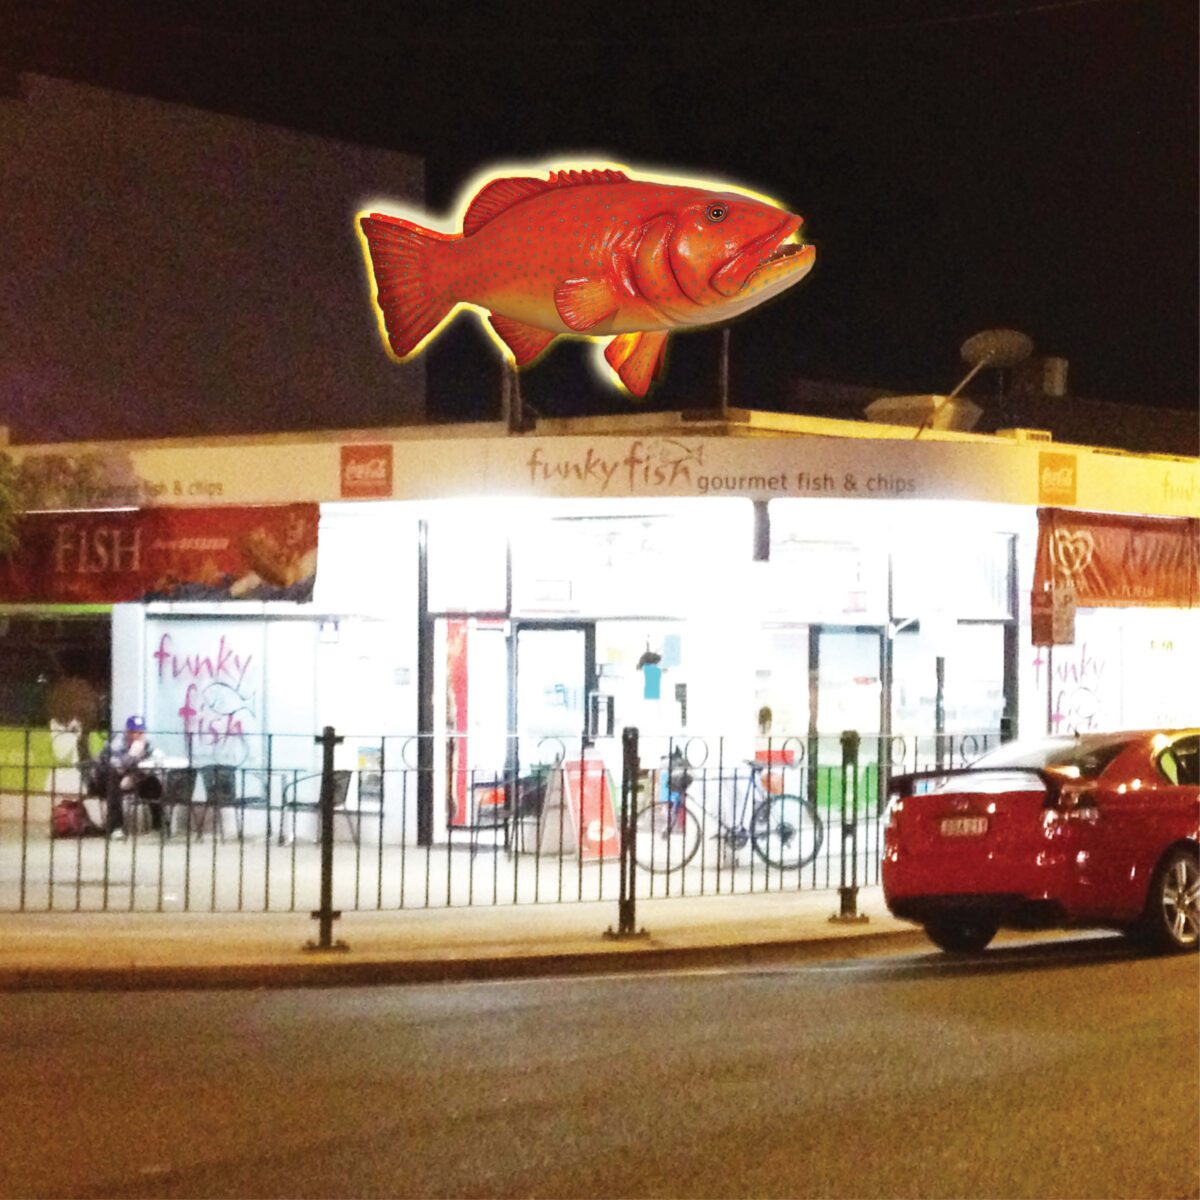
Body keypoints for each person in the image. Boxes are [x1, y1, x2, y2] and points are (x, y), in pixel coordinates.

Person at [102, 715, 161, 838]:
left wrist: (134, 777)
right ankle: (116, 827)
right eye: (134, 732)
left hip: (130, 776)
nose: (138, 736)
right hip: (104, 778)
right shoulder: (117, 743)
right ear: (127, 732)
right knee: (113, 780)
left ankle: (158, 826)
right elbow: (117, 767)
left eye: (141, 732)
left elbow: (152, 760)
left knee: (153, 782)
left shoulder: (146, 743)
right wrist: (132, 755)